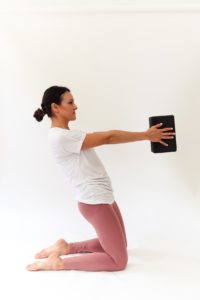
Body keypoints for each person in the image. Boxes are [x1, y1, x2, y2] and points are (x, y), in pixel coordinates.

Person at [27, 85, 176, 272]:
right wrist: (146, 135)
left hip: (103, 197)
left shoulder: (66, 135)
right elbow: (109, 137)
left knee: (121, 244)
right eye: (71, 102)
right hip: (94, 201)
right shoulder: (60, 137)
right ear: (55, 107)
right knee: (117, 261)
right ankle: (59, 263)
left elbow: (107, 137)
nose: (76, 106)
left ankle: (66, 248)